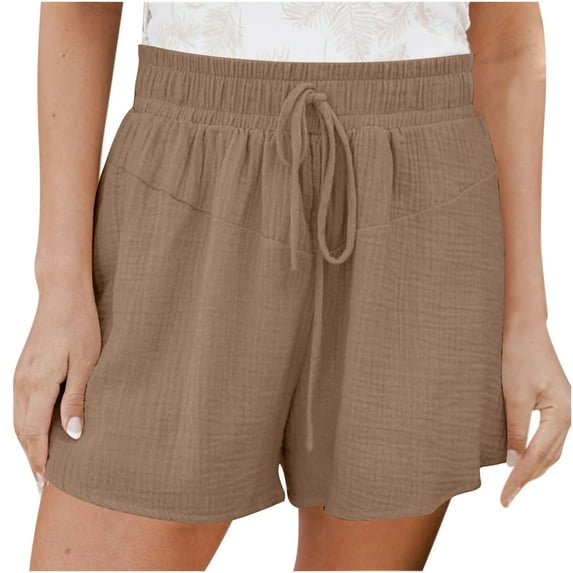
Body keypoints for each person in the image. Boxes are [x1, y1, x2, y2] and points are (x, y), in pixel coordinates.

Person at [15, 2, 570, 571]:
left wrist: (527, 322)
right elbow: (81, 9)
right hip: (188, 180)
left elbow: (506, 42)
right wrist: (58, 288)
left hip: (420, 193)